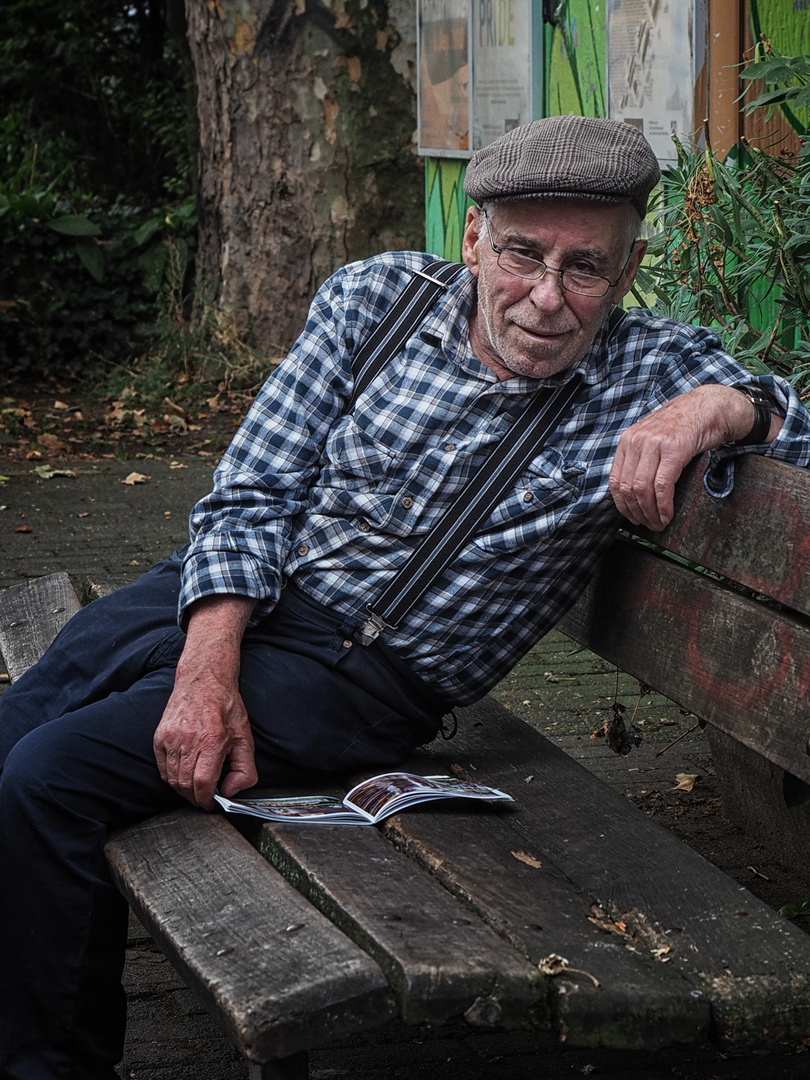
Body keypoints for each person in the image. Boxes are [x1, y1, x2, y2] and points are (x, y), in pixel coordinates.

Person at [1, 114, 809, 1080]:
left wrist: (726, 405)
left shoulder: (652, 370)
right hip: (220, 596)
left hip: (354, 677)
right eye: (520, 254)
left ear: (627, 271)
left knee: (48, 781)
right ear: (472, 239)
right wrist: (206, 662)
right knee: (16, 741)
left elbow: (799, 424)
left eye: (585, 268)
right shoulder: (376, 298)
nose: (546, 299)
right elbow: (254, 488)